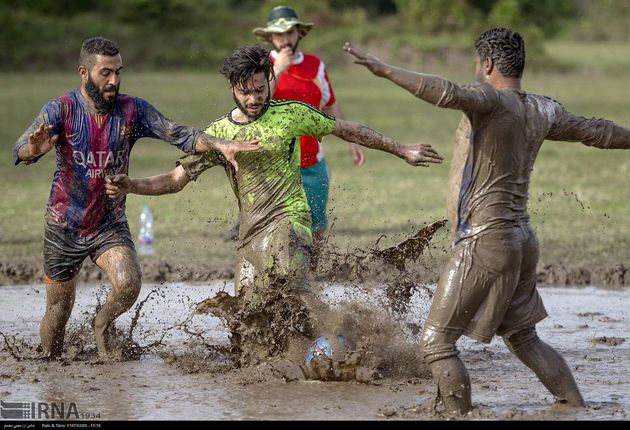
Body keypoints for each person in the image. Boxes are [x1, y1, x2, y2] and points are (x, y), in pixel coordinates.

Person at [344, 28, 630, 414]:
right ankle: (574, 407)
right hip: (521, 239)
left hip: (485, 240)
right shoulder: (544, 109)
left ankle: (457, 415)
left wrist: (384, 70)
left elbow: (443, 91)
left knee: (436, 342)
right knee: (523, 337)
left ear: (488, 64)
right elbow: (598, 131)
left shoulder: (489, 100)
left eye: (478, 64)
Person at [105, 45, 443, 305]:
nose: (253, 99)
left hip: (290, 221)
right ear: (231, 87)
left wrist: (401, 148)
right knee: (248, 323)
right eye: (244, 91)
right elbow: (175, 179)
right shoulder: (219, 134)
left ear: (270, 79)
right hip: (250, 237)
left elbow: (346, 129)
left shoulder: (292, 115)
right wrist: (131, 186)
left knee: (293, 293)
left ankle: (339, 345)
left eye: (260, 88)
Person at [13, 37, 260, 359]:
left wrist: (217, 143)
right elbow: (19, 150)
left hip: (108, 223)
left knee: (128, 284)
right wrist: (35, 148)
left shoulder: (133, 109)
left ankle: (101, 324)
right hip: (64, 225)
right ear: (84, 73)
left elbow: (180, 135)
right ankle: (49, 365)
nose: (114, 80)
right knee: (58, 312)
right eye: (105, 73)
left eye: (118, 72)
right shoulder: (61, 108)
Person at [225, 5, 364, 262]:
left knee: (317, 226)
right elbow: (251, 105)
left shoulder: (315, 66)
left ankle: (312, 275)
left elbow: (330, 104)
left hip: (312, 162)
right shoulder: (260, 66)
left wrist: (353, 141)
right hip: (273, 163)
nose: (285, 38)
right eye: (278, 34)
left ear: (299, 32)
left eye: (289, 32)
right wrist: (278, 70)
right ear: (270, 37)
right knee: (277, 228)